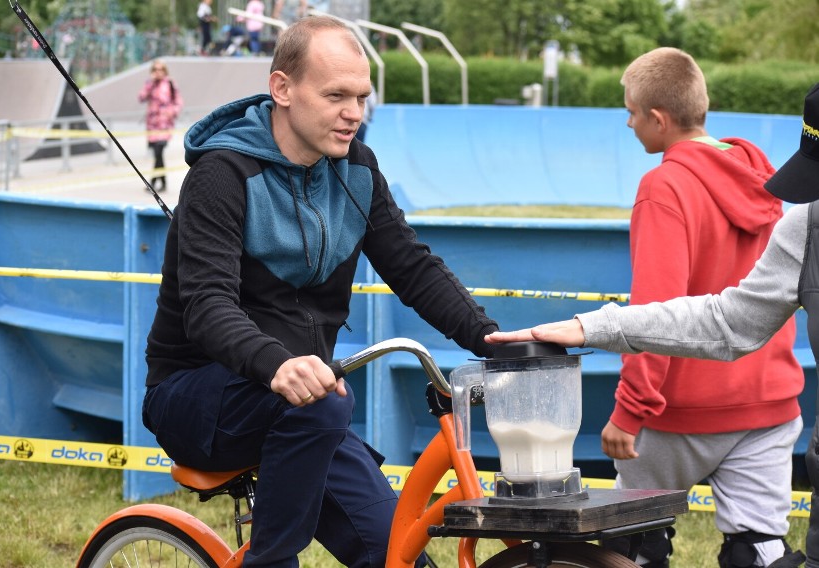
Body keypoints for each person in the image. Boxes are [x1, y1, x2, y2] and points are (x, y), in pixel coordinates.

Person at [142, 15, 499, 568]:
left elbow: (411, 266)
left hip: (307, 402)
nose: (354, 113)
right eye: (336, 95)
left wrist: (491, 337)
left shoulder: (357, 169)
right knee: (321, 407)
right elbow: (208, 308)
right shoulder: (221, 176)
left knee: (402, 556)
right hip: (195, 394)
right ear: (282, 88)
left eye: (361, 96)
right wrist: (277, 364)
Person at [485, 82, 819, 568]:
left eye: (631, 111)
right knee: (758, 551)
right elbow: (730, 319)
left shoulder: (664, 185)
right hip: (769, 403)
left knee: (637, 543)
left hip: (679, 412)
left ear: (658, 118)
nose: (626, 122)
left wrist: (632, 406)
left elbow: (659, 292)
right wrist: (590, 327)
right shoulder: (799, 215)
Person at [138, 59, 183, 193]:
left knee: (159, 152)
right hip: (152, 125)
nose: (158, 72)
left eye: (160, 69)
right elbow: (141, 98)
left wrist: (172, 112)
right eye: (155, 70)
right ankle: (161, 182)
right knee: (157, 155)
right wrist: (150, 84)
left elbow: (179, 102)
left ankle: (153, 182)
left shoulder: (170, 83)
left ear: (165, 71)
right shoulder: (149, 84)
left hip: (165, 125)